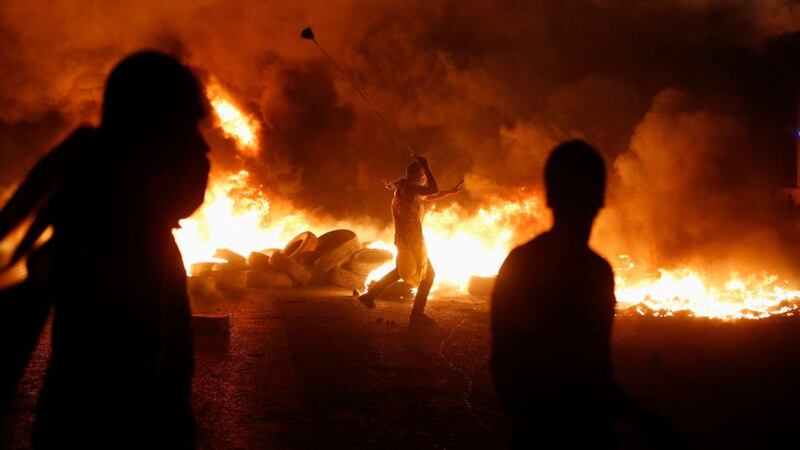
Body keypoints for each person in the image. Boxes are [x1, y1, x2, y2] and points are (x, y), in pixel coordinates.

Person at [0, 51, 210, 449]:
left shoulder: (133, 224)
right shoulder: (108, 232)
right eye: (186, 128)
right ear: (151, 134)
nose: (202, 150)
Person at [490, 141, 678, 449]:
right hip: (586, 435)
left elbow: (503, 364)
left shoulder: (519, 262)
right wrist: (648, 421)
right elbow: (596, 377)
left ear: (549, 196)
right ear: (600, 200)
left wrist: (528, 424)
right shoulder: (596, 273)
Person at [357, 156, 463, 326]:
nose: (425, 177)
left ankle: (369, 296)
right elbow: (432, 189)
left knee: (401, 271)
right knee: (428, 276)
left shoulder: (409, 189)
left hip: (408, 240)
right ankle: (416, 316)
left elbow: (430, 195)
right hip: (410, 241)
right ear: (418, 176)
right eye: (423, 174)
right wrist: (427, 165)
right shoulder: (408, 189)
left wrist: (449, 192)